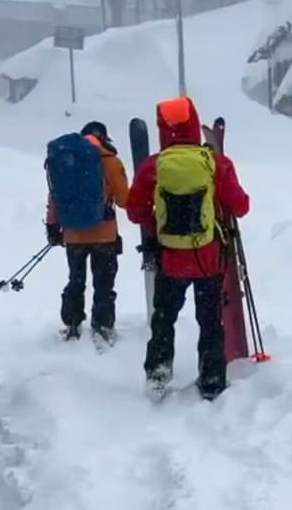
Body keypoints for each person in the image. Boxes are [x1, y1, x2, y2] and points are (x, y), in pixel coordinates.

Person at [127, 96, 250, 400]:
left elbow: (134, 211)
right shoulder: (214, 163)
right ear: (194, 123)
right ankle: (211, 379)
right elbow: (241, 205)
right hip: (208, 256)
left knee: (164, 317)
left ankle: (158, 372)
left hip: (170, 258)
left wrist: (158, 222)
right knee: (210, 320)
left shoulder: (154, 166)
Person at [45, 121, 131, 344]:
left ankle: (73, 323)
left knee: (76, 279)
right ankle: (102, 325)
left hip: (73, 234)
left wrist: (53, 228)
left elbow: (55, 196)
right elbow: (124, 200)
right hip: (104, 234)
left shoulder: (66, 160)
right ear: (104, 138)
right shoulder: (110, 162)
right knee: (103, 282)